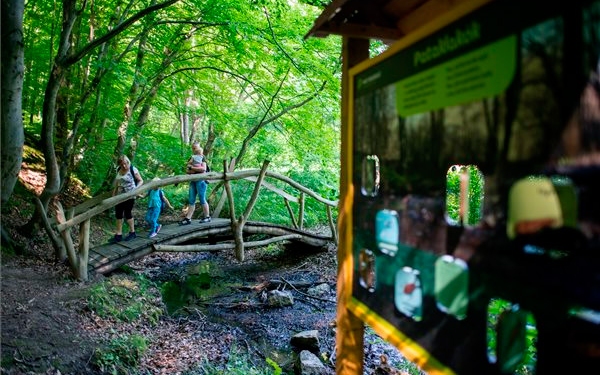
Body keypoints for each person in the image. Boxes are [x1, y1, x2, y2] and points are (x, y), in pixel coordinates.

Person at [109, 155, 143, 242]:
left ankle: (132, 233)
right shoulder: (118, 170)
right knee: (118, 214)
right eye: (121, 164)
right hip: (119, 196)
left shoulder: (133, 169)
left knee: (127, 213)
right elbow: (117, 184)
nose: (124, 166)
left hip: (130, 195)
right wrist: (113, 195)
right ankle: (118, 235)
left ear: (128, 162)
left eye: (125, 164)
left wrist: (135, 190)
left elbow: (140, 180)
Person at [180, 142, 211, 225]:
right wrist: (194, 169)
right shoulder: (192, 157)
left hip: (201, 180)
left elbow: (203, 169)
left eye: (196, 148)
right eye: (193, 148)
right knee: (191, 199)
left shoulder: (202, 157)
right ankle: (188, 218)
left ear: (199, 148)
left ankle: (207, 217)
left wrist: (192, 168)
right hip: (192, 180)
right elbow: (187, 170)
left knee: (202, 198)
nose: (194, 149)